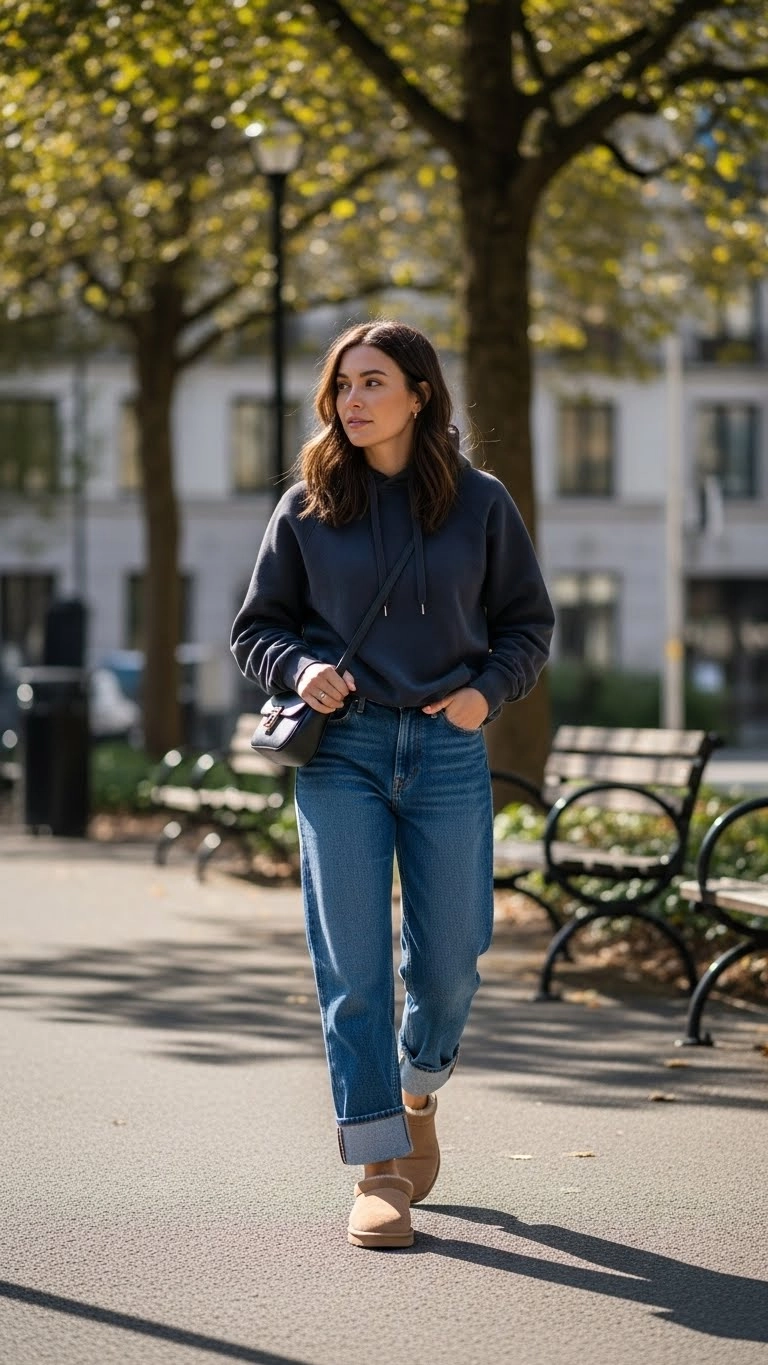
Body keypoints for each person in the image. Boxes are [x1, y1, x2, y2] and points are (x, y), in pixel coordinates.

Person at [231, 319, 554, 1249]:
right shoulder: (305, 507)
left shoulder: (482, 505)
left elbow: (527, 627)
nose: (353, 400)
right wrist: (300, 671)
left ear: (420, 394)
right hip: (342, 756)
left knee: (452, 959)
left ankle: (419, 1089)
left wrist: (483, 695)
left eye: (373, 382)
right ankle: (378, 1168)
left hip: (447, 753)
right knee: (354, 969)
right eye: (342, 385)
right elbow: (256, 630)